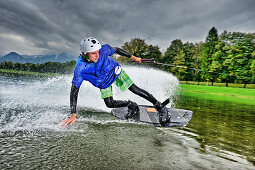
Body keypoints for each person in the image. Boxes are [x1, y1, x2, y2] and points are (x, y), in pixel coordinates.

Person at [61, 37, 171, 127]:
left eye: (98, 52)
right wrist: (73, 114)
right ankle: (131, 105)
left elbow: (117, 49)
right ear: (85, 53)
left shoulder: (103, 50)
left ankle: (160, 106)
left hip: (114, 71)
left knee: (135, 89)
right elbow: (74, 91)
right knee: (109, 104)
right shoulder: (80, 69)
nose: (98, 55)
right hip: (103, 82)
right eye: (93, 53)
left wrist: (133, 57)